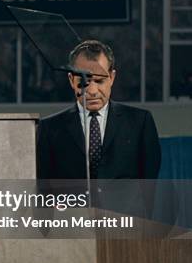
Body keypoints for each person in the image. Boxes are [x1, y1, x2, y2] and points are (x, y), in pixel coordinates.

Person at [36, 40, 161, 179]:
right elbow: (43, 187)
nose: (92, 91)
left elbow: (149, 184)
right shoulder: (49, 128)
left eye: (99, 81)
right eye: (83, 83)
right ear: (71, 80)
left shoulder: (140, 123)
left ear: (112, 78)